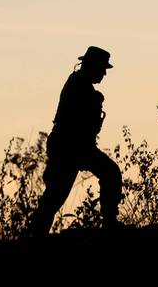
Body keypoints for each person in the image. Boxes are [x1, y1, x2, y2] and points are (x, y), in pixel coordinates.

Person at [28, 46, 123, 234]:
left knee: (58, 193)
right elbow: (77, 121)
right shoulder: (79, 85)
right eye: (102, 68)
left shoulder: (80, 84)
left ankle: (36, 233)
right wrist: (94, 102)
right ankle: (36, 234)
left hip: (77, 146)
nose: (104, 73)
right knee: (57, 193)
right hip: (69, 146)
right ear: (91, 66)